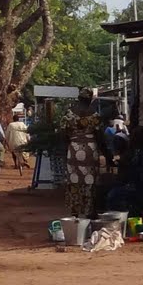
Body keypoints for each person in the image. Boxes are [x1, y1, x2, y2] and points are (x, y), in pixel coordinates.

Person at [63, 89, 102, 219]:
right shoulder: (95, 115)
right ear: (90, 100)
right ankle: (89, 210)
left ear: (79, 98)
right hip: (91, 149)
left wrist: (70, 145)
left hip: (73, 149)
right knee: (90, 180)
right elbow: (99, 135)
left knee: (74, 180)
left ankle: (75, 211)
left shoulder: (69, 114)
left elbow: (63, 134)